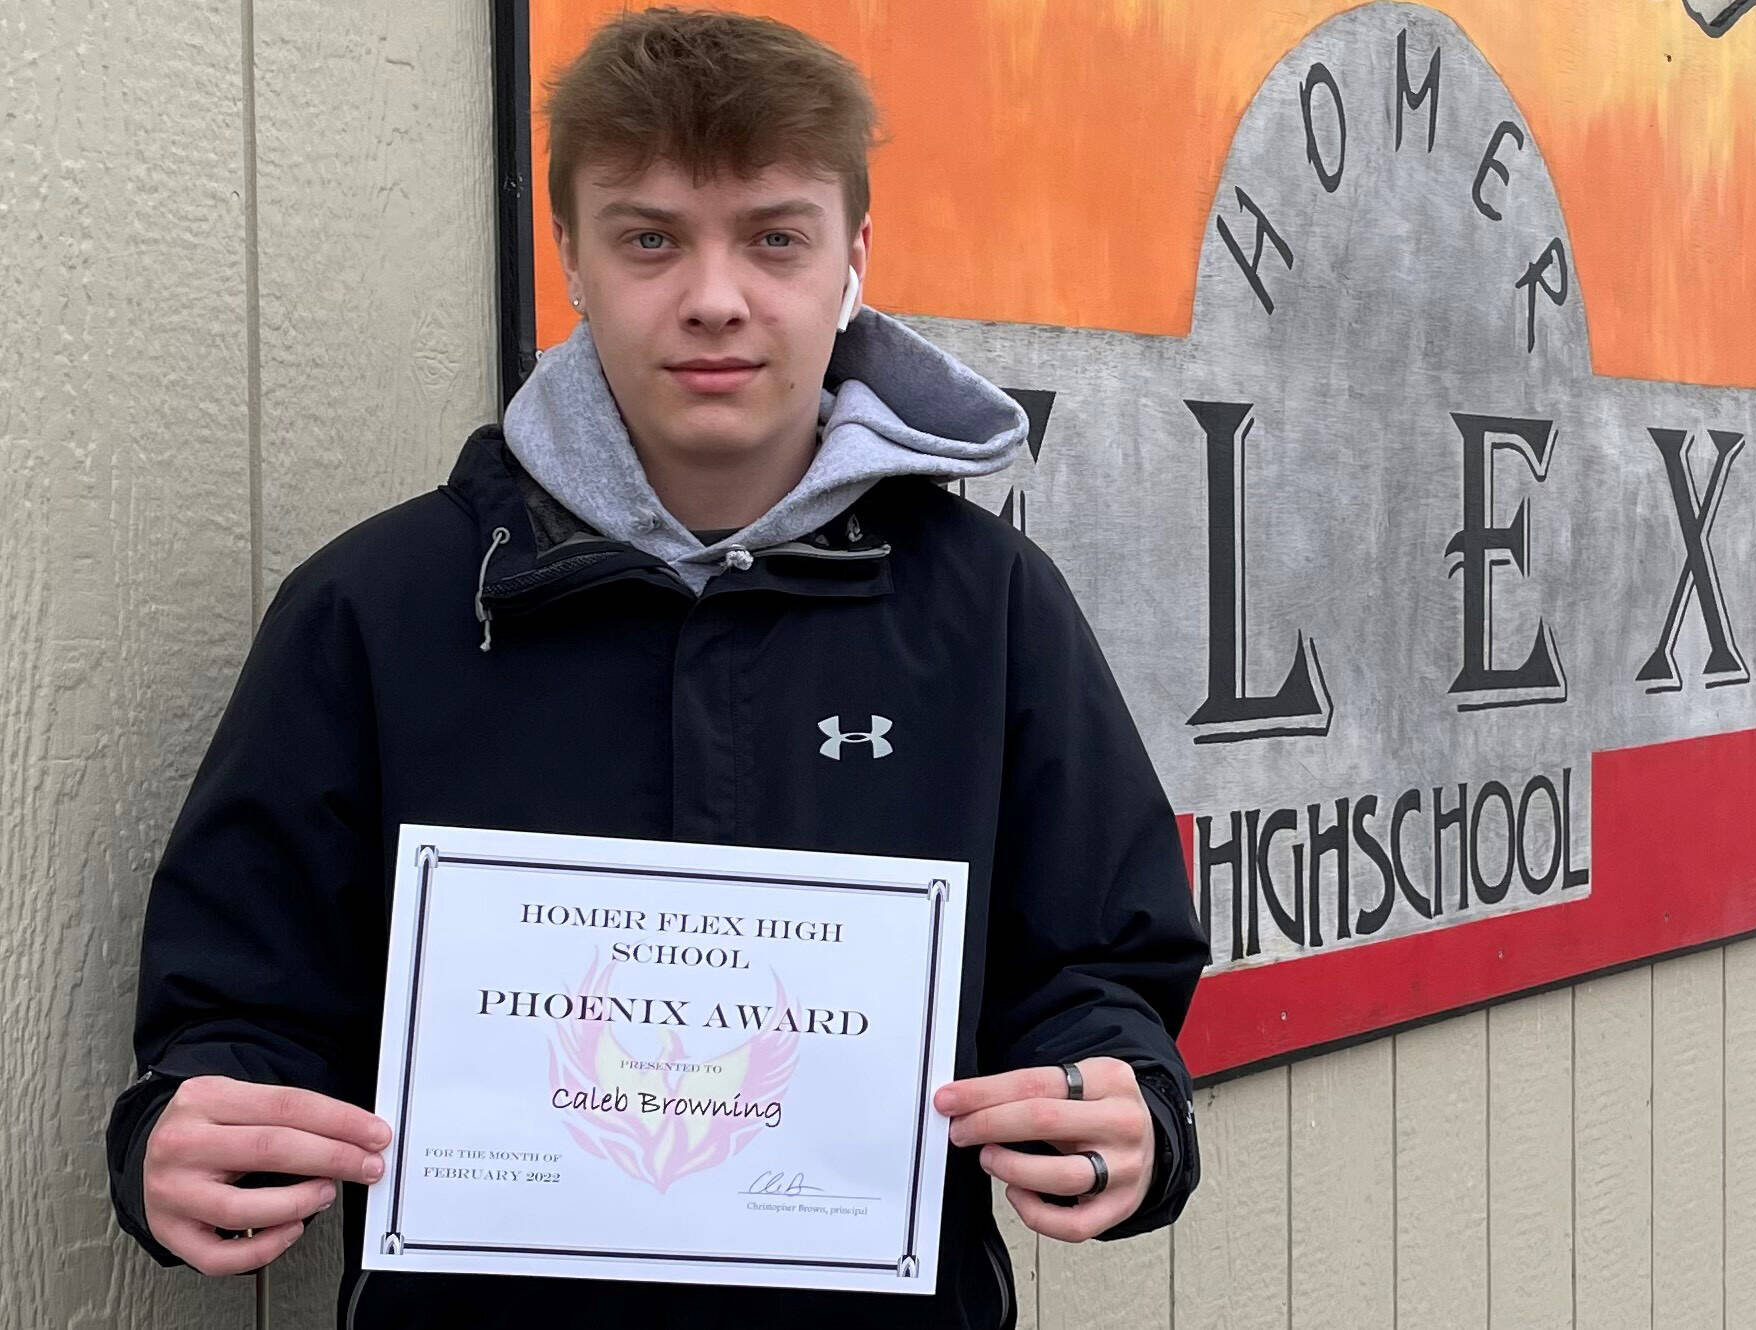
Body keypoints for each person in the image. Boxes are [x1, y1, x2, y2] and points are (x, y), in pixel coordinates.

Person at [104, 8, 1205, 1327]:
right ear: (569, 248)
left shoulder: (988, 607)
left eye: (775, 236)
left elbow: (1097, 976)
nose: (715, 295)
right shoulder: (378, 610)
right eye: (650, 237)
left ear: (855, 251)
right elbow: (240, 1007)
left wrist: (1121, 1106)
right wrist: (183, 1131)